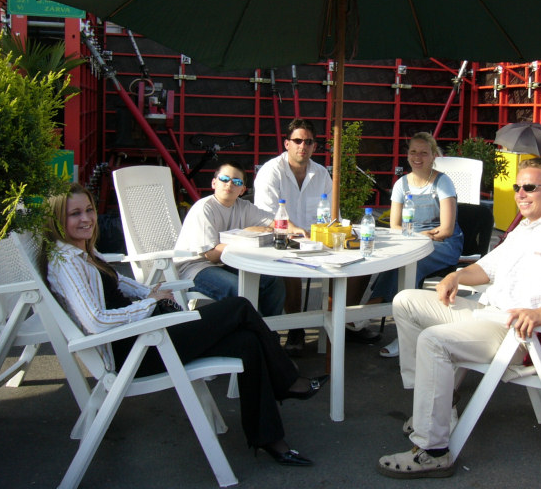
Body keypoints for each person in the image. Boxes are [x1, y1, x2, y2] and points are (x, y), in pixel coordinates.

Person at [42, 183, 327, 466]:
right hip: (139, 350)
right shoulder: (66, 262)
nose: (86, 219)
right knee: (239, 307)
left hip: (150, 334)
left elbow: (121, 283)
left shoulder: (84, 252)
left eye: (89, 210)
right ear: (57, 219)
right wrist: (149, 304)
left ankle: (269, 439)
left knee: (248, 343)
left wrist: (150, 292)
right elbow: (95, 321)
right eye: (75, 214)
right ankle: (288, 381)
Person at [376, 158, 541, 478]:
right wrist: (457, 276)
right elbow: (485, 269)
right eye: (517, 187)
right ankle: (435, 404)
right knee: (405, 302)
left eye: (529, 187)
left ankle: (432, 451)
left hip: (515, 333)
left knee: (432, 341)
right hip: (486, 312)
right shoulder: (523, 230)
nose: (520, 194)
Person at [254, 119, 365, 351]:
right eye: (297, 141)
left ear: (314, 146)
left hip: (317, 240)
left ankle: (338, 321)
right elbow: (265, 215)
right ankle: (296, 329)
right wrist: (295, 229)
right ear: (287, 143)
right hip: (279, 239)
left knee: (355, 260)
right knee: (291, 265)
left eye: (308, 142)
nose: (302, 146)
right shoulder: (270, 171)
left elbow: (333, 213)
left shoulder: (321, 173)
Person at [372, 132, 464, 358]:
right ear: (407, 155)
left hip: (443, 244)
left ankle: (400, 332)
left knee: (413, 260)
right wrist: (419, 235)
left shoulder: (443, 182)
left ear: (434, 156)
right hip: (414, 239)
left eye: (424, 152)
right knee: (392, 259)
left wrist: (419, 237)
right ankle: (378, 309)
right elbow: (394, 225)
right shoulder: (401, 184)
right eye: (413, 152)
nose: (417, 157)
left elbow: (446, 229)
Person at [174, 161, 306, 317]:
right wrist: (244, 235)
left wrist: (295, 229)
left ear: (242, 189)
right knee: (240, 290)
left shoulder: (244, 207)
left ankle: (269, 327)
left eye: (236, 182)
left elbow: (274, 221)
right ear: (214, 183)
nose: (229, 184)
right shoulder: (204, 208)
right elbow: (211, 255)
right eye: (224, 179)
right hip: (196, 268)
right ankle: (257, 329)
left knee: (273, 281)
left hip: (226, 263)